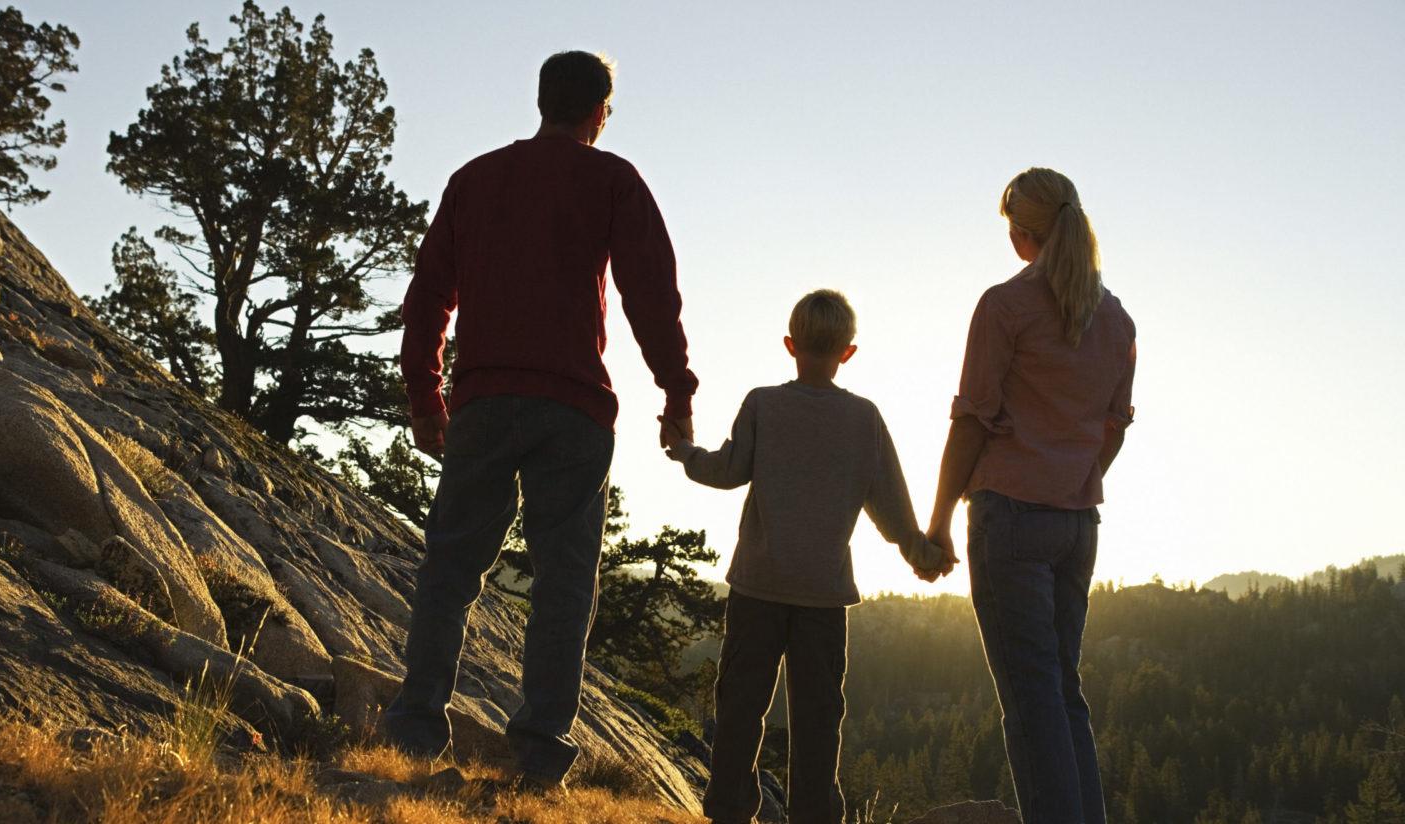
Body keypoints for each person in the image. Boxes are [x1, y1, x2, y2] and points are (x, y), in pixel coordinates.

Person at [387, 50, 699, 788]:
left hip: (484, 400)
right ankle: (535, 754)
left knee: (452, 565)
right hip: (573, 407)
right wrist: (676, 391)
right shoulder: (612, 179)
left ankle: (414, 728)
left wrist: (424, 395)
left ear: (539, 101)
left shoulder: (475, 179)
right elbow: (650, 292)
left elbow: (428, 295)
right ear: (599, 112)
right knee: (563, 581)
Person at [665, 289, 950, 824]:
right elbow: (891, 503)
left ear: (790, 345)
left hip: (756, 589)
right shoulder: (864, 418)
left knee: (741, 712)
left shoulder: (763, 404)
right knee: (818, 721)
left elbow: (727, 471)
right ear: (848, 352)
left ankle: (729, 811)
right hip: (823, 597)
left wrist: (684, 452)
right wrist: (922, 552)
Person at [925, 168, 1137, 824]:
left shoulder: (1005, 306)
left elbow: (972, 421)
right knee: (1063, 695)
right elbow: (1113, 429)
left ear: (1022, 235)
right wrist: (1075, 477)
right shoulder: (1115, 318)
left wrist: (937, 523)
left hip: (1010, 518)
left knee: (1031, 701)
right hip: (1078, 525)